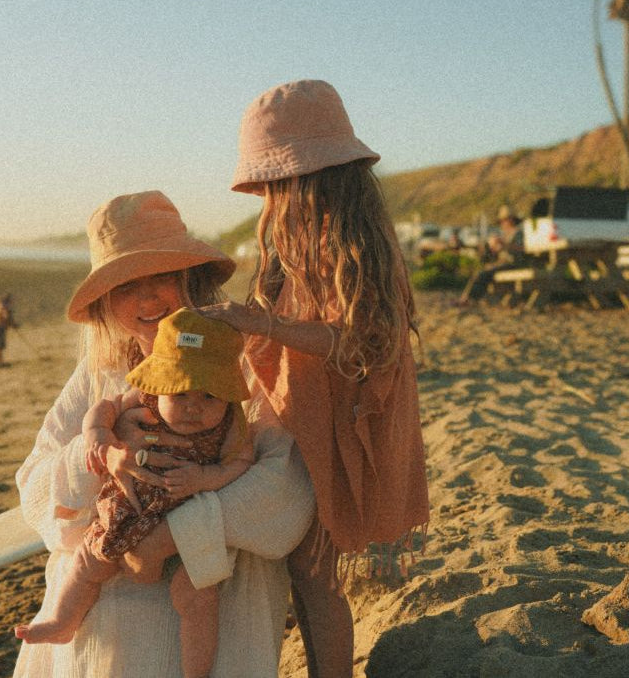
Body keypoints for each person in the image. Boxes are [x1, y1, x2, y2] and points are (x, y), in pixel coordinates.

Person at [12, 190, 314, 678]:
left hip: (210, 592)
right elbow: (33, 489)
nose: (147, 298)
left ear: (191, 279)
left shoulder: (241, 359)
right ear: (107, 302)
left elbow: (288, 492)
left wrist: (179, 532)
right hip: (106, 594)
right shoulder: (101, 373)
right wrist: (100, 455)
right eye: (127, 285)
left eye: (162, 278)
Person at [200, 79, 430, 678]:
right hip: (294, 416)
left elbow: (364, 341)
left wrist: (264, 323)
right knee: (301, 567)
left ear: (314, 174)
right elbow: (273, 332)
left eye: (278, 180)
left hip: (334, 423)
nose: (271, 194)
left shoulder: (357, 240)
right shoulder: (293, 234)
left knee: (316, 571)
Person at [15, 308, 254, 678]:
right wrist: (98, 437)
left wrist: (205, 478)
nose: (193, 405)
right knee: (87, 562)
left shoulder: (232, 422)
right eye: (181, 391)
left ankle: (197, 671)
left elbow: (240, 462)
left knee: (199, 595)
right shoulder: (143, 396)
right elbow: (103, 409)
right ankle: (63, 621)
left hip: (186, 523)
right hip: (129, 508)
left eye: (209, 396)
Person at [0, 293, 18, 367]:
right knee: (0, 344)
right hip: (1, 325)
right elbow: (6, 316)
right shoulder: (4, 306)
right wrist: (13, 324)